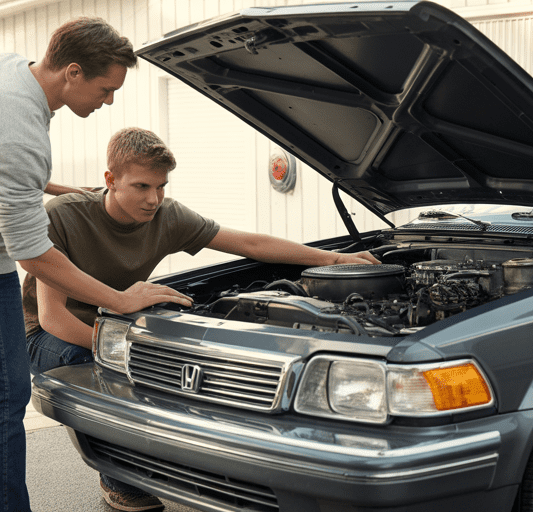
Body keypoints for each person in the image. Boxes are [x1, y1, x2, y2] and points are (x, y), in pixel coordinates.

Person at [22, 126, 378, 511]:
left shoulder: (168, 216)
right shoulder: (62, 217)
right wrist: (129, 350)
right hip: (46, 334)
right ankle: (119, 477)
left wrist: (337, 259)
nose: (154, 198)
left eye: (161, 186)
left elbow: (250, 244)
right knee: (102, 368)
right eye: (142, 186)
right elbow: (53, 318)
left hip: (118, 322)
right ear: (110, 180)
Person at [0, 18, 193, 512]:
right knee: (5, 405)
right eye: (106, 89)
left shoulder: (11, 75)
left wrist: (50, 186)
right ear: (71, 72)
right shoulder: (21, 128)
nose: (108, 101)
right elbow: (35, 256)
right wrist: (121, 301)